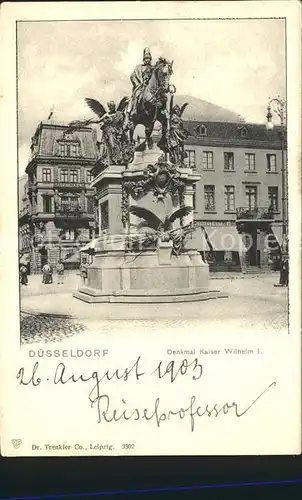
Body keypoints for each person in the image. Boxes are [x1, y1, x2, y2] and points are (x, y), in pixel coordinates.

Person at [125, 47, 154, 124]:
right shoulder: (138, 68)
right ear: (143, 59)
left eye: (149, 58)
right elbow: (132, 76)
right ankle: (133, 109)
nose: (147, 60)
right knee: (137, 94)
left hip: (150, 88)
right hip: (140, 86)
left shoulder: (153, 68)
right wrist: (139, 83)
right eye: (146, 58)